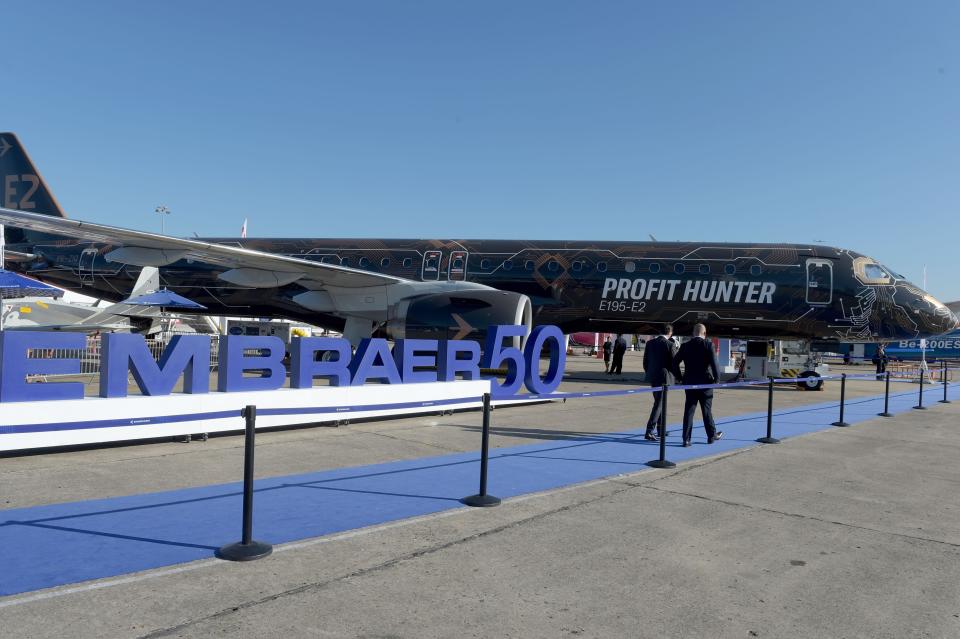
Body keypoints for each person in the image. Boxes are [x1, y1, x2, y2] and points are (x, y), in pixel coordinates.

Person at [673, 323, 722, 447]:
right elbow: (715, 365)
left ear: (693, 333)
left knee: (689, 411)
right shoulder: (708, 345)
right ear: (704, 334)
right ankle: (711, 436)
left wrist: (680, 378)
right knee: (706, 411)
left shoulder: (685, 346)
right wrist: (717, 380)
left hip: (689, 383)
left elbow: (674, 363)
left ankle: (686, 439)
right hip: (706, 384)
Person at [643, 324, 679, 440]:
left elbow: (645, 362)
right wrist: (679, 377)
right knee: (659, 404)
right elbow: (674, 364)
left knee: (659, 403)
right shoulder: (670, 344)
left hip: (653, 377)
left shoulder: (650, 343)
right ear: (670, 333)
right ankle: (649, 430)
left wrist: (650, 373)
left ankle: (660, 430)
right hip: (664, 378)